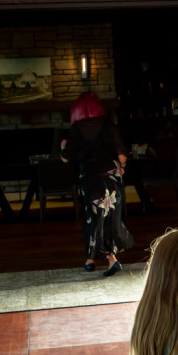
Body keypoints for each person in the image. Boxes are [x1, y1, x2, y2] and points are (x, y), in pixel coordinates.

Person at [60, 92, 133, 276]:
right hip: (110, 176)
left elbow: (65, 158)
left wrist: (63, 147)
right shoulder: (109, 126)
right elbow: (122, 156)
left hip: (89, 178)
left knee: (93, 217)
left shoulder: (76, 129)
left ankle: (94, 259)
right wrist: (122, 167)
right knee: (109, 217)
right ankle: (105, 258)